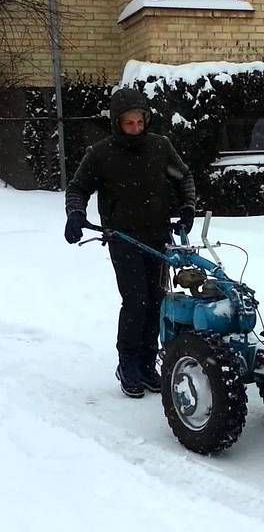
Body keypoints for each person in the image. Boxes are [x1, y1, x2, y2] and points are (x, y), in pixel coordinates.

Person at [64, 87, 196, 399]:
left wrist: (187, 207)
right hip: (123, 238)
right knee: (136, 301)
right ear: (117, 123)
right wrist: (75, 214)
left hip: (158, 235)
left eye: (140, 122)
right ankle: (128, 364)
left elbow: (184, 177)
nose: (136, 128)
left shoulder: (160, 147)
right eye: (129, 123)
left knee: (156, 301)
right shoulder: (100, 154)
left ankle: (148, 364)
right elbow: (78, 187)